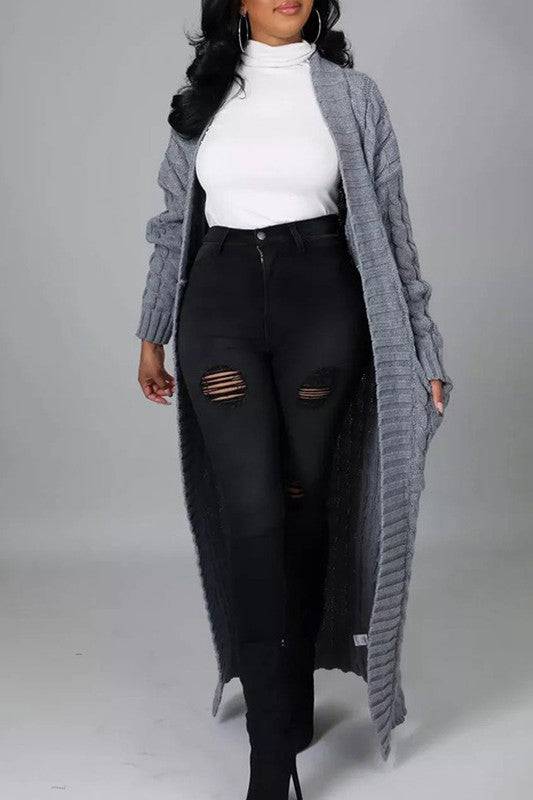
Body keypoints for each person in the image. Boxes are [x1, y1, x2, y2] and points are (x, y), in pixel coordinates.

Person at [135, 2, 453, 798]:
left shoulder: (351, 94)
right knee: (251, 516)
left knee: (304, 508)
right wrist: (152, 329)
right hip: (219, 302)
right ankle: (269, 761)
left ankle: (291, 691)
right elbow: (173, 223)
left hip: (321, 302)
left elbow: (391, 226)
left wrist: (422, 344)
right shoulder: (204, 94)